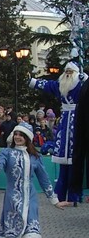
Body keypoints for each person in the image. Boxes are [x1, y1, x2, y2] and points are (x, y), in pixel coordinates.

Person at [0, 123, 68, 238]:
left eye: (21, 135)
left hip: (30, 200)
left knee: (32, 236)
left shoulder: (35, 156)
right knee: (14, 235)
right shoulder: (7, 152)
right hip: (13, 200)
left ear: (27, 138)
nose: (17, 137)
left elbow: (44, 180)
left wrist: (55, 201)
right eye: (15, 134)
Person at [29, 61, 86, 202]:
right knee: (63, 160)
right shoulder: (60, 84)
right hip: (64, 122)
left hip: (78, 119)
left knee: (76, 158)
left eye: (70, 71)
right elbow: (46, 85)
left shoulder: (81, 83)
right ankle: (60, 194)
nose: (67, 73)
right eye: (66, 71)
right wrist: (32, 81)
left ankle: (75, 195)